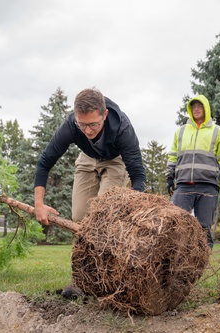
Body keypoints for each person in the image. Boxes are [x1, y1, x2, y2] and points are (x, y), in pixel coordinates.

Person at [34, 87, 147, 297]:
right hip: (87, 158)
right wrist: (39, 204)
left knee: (102, 216)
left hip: (115, 161)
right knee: (79, 216)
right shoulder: (71, 125)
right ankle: (80, 278)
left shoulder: (122, 128)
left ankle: (105, 278)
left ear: (104, 115)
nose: (87, 131)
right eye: (82, 124)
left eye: (93, 124)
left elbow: (138, 174)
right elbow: (44, 162)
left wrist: (135, 206)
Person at [166, 94, 220, 248]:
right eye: (193, 106)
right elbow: (173, 156)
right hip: (183, 185)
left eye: (199, 106)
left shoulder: (218, 132)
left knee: (204, 228)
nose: (196, 109)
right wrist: (169, 177)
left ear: (206, 108)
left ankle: (202, 263)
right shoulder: (181, 131)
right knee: (174, 222)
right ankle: (174, 262)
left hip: (208, 186)